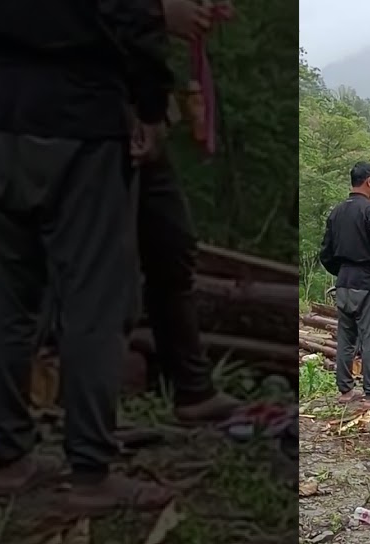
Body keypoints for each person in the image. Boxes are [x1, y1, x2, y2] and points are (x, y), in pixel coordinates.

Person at [0, 0, 176, 509]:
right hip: (84, 119)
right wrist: (150, 108)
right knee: (94, 301)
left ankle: (9, 460)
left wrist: (0, 81)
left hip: (4, 117)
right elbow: (133, 18)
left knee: (9, 299)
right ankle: (90, 472)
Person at [139, 0, 241, 425]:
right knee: (97, 265)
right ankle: (90, 418)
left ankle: (192, 388)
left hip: (141, 116)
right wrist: (156, 11)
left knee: (173, 247)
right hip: (94, 115)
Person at [320, 163, 370, 410]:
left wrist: (342, 272)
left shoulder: (337, 212)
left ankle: (345, 391)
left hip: (344, 282)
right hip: (368, 282)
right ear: (369, 181)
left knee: (346, 337)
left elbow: (326, 253)